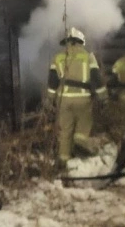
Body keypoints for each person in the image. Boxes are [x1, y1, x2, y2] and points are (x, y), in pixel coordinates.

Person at [46, 27, 106, 164]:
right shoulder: (88, 56)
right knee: (82, 131)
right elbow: (96, 78)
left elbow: (52, 81)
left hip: (64, 101)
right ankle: (80, 157)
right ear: (80, 41)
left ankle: (64, 163)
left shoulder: (58, 57)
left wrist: (50, 100)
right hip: (83, 100)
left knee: (65, 133)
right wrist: (103, 97)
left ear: (66, 41)